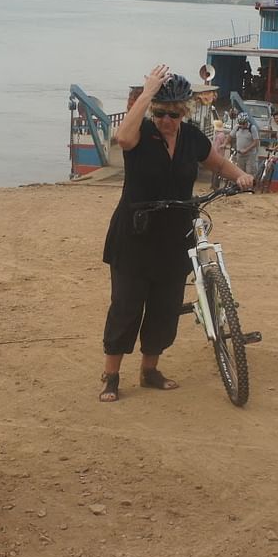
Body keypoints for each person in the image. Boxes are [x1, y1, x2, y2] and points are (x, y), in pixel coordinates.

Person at [99, 66, 255, 402]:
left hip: (174, 236)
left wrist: (240, 175)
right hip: (134, 236)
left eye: (172, 114)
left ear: (183, 112)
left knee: (164, 309)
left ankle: (149, 370)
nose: (166, 120)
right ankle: (111, 376)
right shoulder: (139, 132)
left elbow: (218, 164)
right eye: (160, 113)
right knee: (126, 307)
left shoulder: (192, 138)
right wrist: (147, 94)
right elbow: (122, 139)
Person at [233, 112, 260, 180]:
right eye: (240, 124)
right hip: (240, 154)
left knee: (249, 172)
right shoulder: (237, 127)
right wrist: (224, 143)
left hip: (250, 155)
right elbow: (230, 136)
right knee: (240, 172)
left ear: (246, 122)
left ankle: (250, 188)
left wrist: (246, 149)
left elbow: (256, 141)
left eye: (243, 124)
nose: (242, 125)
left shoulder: (252, 128)